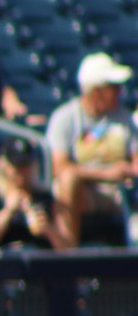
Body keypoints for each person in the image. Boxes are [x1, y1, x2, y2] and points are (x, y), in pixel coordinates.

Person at [46, 52, 138, 247]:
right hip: (85, 192)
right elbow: (59, 167)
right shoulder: (65, 118)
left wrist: (126, 172)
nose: (120, 91)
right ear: (96, 91)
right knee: (68, 179)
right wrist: (106, 174)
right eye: (113, 87)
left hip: (121, 192)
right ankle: (67, 253)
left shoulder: (123, 118)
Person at [0, 137, 72, 252]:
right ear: (6, 166)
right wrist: (8, 211)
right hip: (5, 260)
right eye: (17, 166)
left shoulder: (45, 197)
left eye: (26, 165)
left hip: (39, 260)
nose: (22, 171)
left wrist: (48, 229)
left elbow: (68, 249)